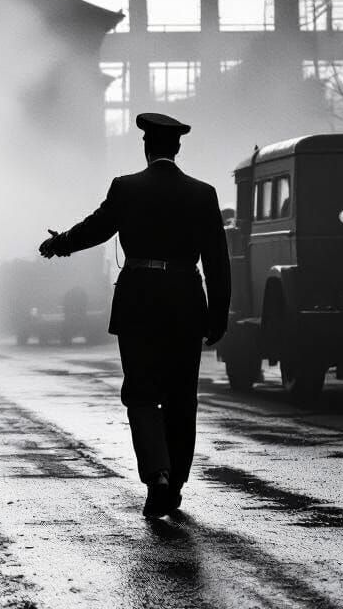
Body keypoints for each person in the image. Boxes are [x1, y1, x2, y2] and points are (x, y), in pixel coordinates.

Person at [38, 112, 230, 518]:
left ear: (146, 147)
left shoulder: (126, 188)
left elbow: (96, 229)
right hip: (184, 302)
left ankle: (157, 475)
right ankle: (175, 482)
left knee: (141, 393)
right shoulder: (204, 194)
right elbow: (217, 261)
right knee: (181, 398)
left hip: (139, 300)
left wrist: (60, 245)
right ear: (176, 148)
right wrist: (218, 315)